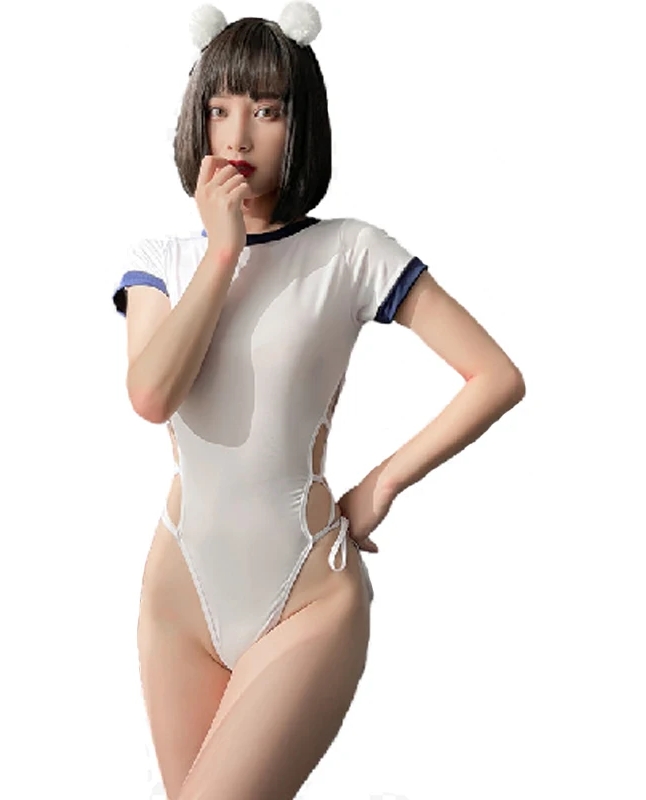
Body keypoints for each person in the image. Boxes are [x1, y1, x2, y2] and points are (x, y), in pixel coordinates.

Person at [112, 4, 525, 798]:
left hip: (306, 590)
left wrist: (381, 484)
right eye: (220, 109)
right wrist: (223, 252)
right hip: (178, 597)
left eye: (267, 111)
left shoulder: (350, 251)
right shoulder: (160, 262)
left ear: (299, 122)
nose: (238, 136)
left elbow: (494, 376)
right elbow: (152, 394)